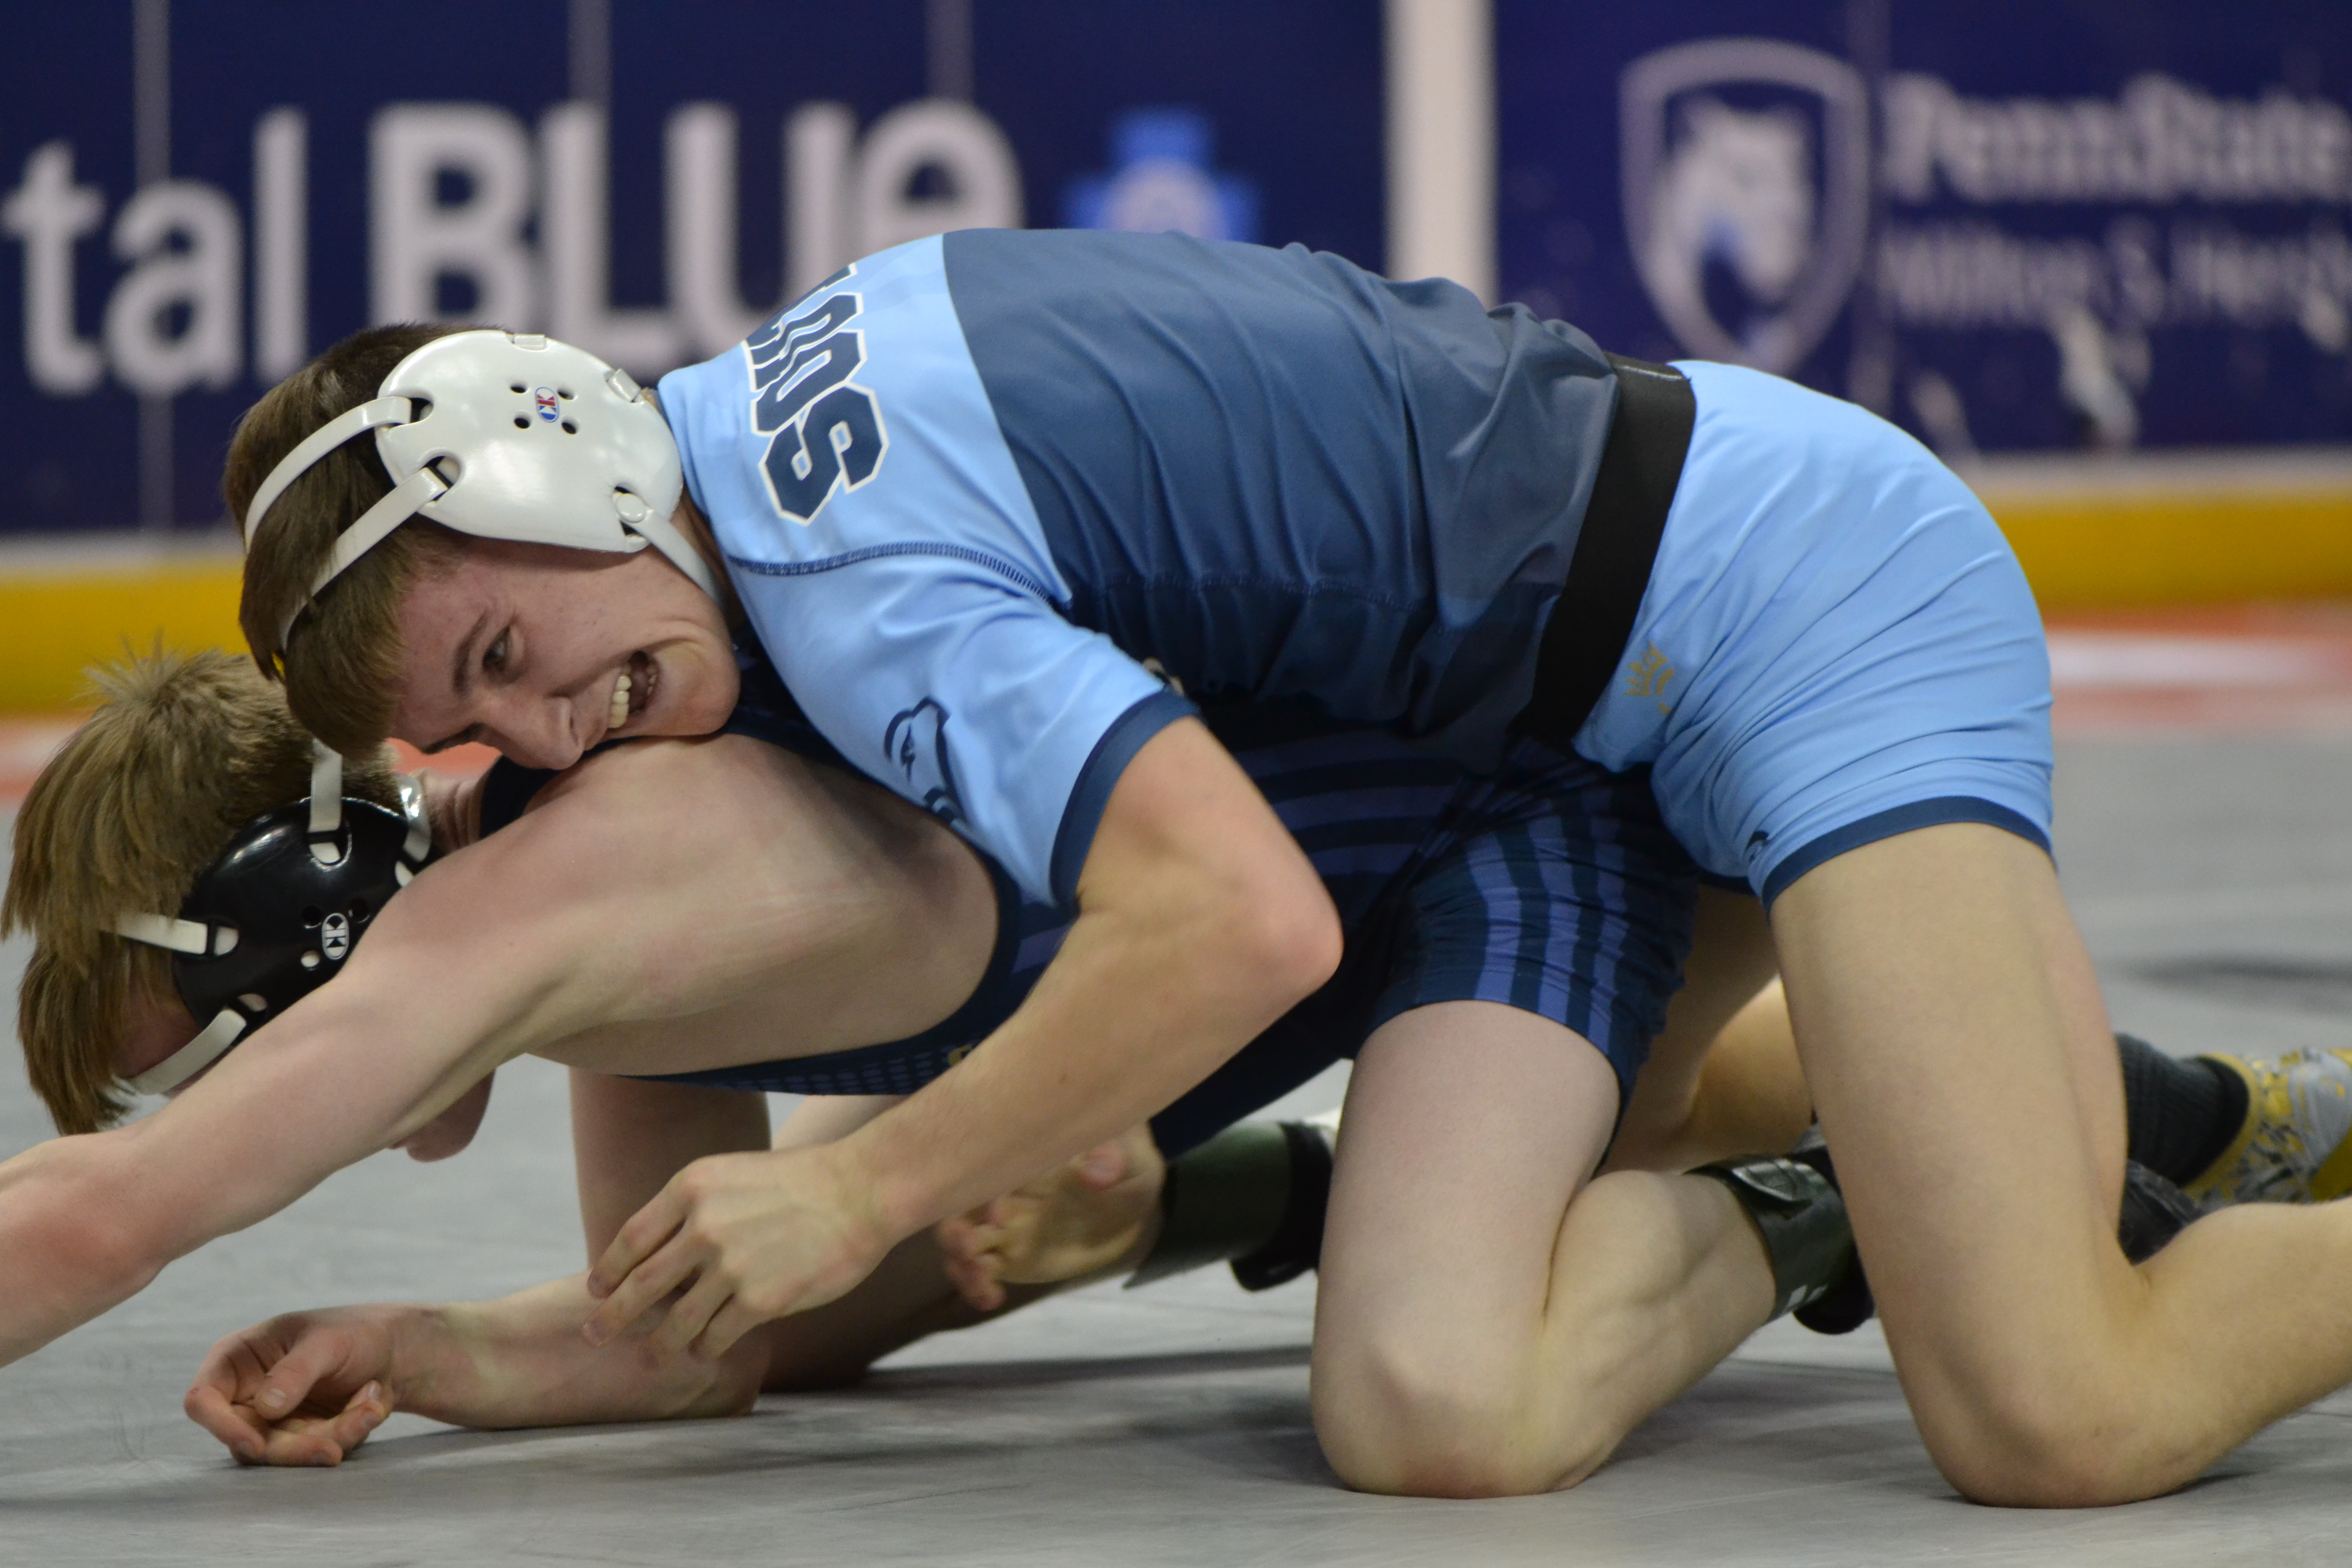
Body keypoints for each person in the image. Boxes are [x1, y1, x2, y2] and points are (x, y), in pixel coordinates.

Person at [224, 229, 2352, 1504]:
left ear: (566, 467)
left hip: (1785, 606)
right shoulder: (713, 633)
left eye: (510, 658)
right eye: (477, 729)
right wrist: (442, 1348)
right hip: (1552, 762)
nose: (542, 732)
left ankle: (1917, 1189)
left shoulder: (837, 582)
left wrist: (875, 1182)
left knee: (2052, 1405)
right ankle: (2075, 1135)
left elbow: (1237, 923)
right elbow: (724, 1307)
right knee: (1701, 1218)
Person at [2, 645, 1830, 1446]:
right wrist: (413, 1347)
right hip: (1399, 913)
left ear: (313, 920)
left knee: (1438, 1410)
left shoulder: (594, 870)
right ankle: (1248, 1193)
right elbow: (695, 1352)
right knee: (784, 1285)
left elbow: (104, 1217)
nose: (269, 1125)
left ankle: (1834, 1197)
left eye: (235, 1063)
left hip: (1522, 824)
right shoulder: (581, 938)